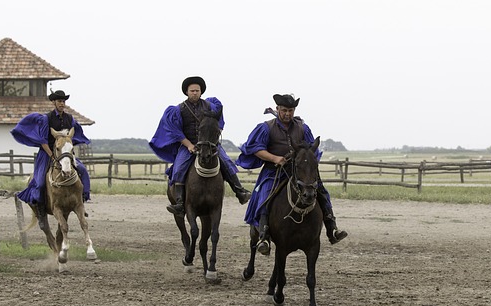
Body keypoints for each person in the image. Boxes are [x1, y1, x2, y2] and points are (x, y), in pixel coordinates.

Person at [237, 93, 348, 255]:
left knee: (321, 191)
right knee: (264, 196)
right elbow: (255, 149)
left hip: (300, 172)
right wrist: (276, 158)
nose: (287, 114)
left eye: (290, 110)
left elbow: (312, 148)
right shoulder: (266, 127)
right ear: (277, 109)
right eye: (284, 110)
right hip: (274, 171)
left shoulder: (302, 127)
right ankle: (264, 235)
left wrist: (308, 164)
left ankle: (332, 228)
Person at [149, 76, 251, 215]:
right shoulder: (178, 110)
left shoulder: (211, 106)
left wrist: (215, 136)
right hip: (188, 145)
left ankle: (240, 191)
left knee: (226, 161)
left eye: (197, 90)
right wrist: (189, 145)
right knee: (179, 168)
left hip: (210, 144)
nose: (195, 93)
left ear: (201, 92)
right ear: (186, 92)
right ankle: (179, 203)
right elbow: (175, 131)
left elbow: (218, 121)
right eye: (192, 91)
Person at [11, 90, 91, 229]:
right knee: (40, 182)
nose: (62, 104)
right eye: (60, 101)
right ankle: (40, 209)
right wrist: (52, 156)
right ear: (54, 103)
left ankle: (82, 201)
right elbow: (43, 141)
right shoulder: (46, 119)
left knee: (83, 171)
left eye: (63, 101)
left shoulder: (70, 118)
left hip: (64, 154)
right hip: (47, 154)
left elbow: (73, 134)